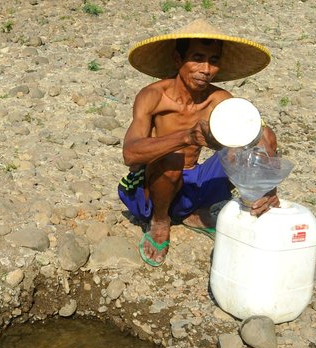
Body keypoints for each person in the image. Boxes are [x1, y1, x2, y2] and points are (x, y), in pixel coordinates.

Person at [118, 19, 279, 267]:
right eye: (197, 57)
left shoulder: (218, 100)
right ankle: (160, 222)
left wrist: (266, 187)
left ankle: (193, 212)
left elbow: (263, 138)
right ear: (177, 60)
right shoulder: (153, 96)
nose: (206, 68)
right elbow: (130, 154)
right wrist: (185, 138)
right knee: (173, 158)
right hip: (153, 187)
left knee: (255, 138)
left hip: (196, 180)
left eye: (213, 60)